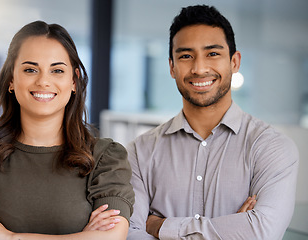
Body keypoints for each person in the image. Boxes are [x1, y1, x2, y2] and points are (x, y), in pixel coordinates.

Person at [0, 20, 134, 240]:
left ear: (74, 81)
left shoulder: (106, 158)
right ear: (11, 79)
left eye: (57, 70)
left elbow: (111, 237)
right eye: (30, 69)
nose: (44, 81)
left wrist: (8, 237)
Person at [127, 5, 299, 240]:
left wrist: (160, 226)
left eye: (213, 53)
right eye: (186, 56)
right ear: (172, 67)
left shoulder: (271, 148)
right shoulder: (140, 151)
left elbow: (262, 232)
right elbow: (128, 233)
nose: (199, 68)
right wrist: (234, 228)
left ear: (234, 62)